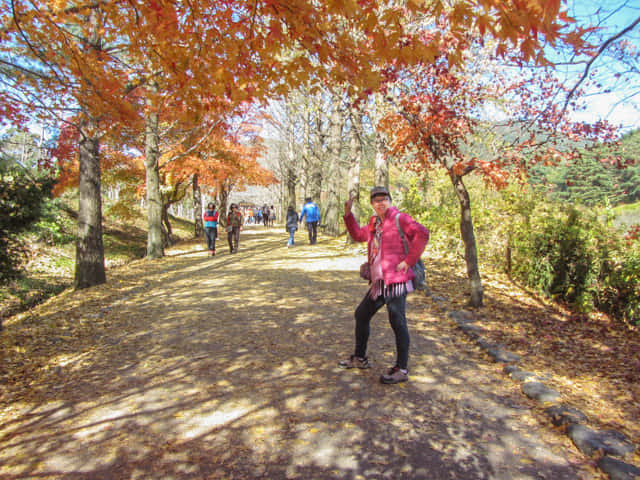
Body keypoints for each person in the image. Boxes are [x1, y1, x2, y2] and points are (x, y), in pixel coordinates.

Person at [340, 186, 429, 384]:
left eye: (384, 199)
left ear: (390, 200)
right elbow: (358, 235)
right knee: (361, 314)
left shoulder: (400, 218)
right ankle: (360, 358)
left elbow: (422, 233)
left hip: (397, 280)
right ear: (372, 204)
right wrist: (348, 214)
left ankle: (401, 369)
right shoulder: (375, 223)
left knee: (397, 321)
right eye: (376, 200)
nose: (380, 203)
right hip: (380, 282)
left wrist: (409, 261)